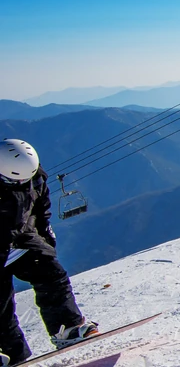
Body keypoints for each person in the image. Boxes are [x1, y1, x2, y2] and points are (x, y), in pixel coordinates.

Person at [0, 139, 100, 365]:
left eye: (26, 179)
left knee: (51, 273)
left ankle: (67, 327)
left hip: (19, 239)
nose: (23, 184)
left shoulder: (34, 177)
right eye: (17, 181)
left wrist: (45, 235)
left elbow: (40, 207)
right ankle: (9, 353)